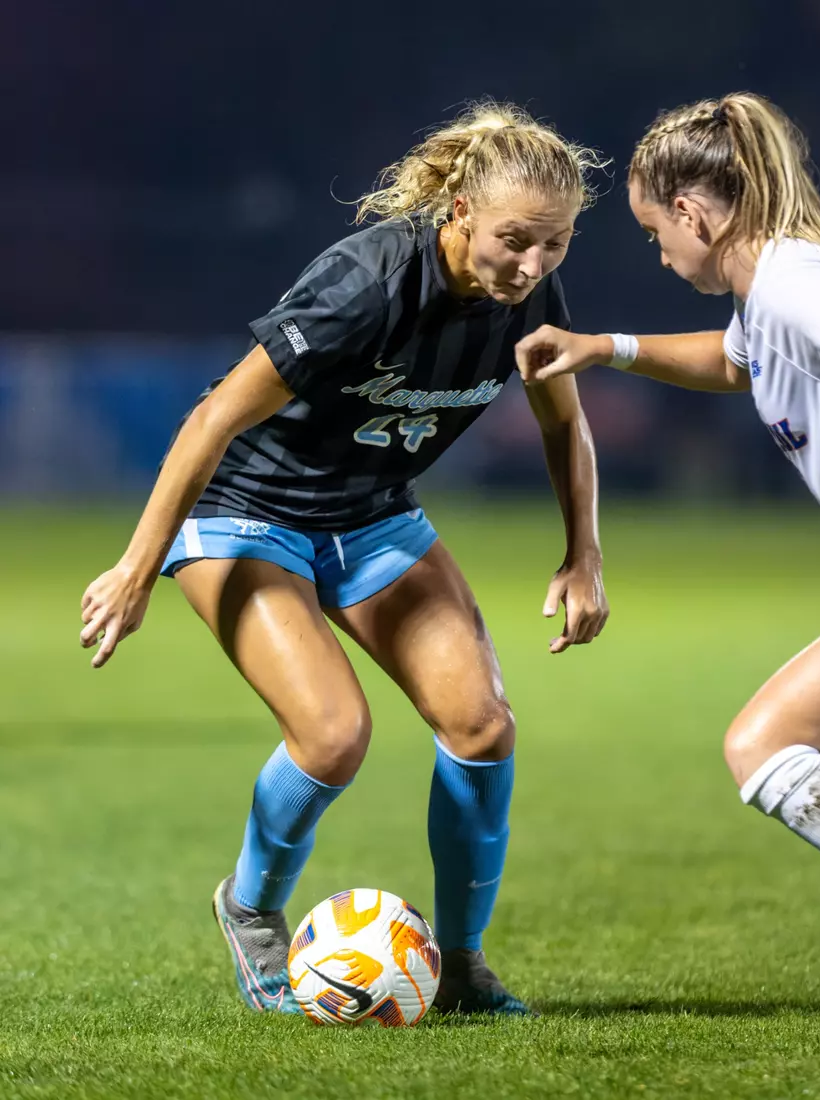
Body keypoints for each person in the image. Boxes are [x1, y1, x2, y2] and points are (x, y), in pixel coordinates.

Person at [79, 101, 609, 1018]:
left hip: (370, 515)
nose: (532, 265)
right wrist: (136, 567)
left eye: (555, 244)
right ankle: (250, 910)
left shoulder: (531, 296)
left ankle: (465, 966)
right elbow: (212, 418)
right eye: (515, 241)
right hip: (244, 511)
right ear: (458, 213)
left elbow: (565, 420)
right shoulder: (367, 280)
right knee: (331, 734)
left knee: (482, 726)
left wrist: (583, 553)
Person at [515, 91, 820, 1046]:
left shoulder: (797, 286)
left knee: (767, 744)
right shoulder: (772, 294)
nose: (659, 251)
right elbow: (741, 364)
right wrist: (605, 349)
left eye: (655, 232)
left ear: (695, 212)